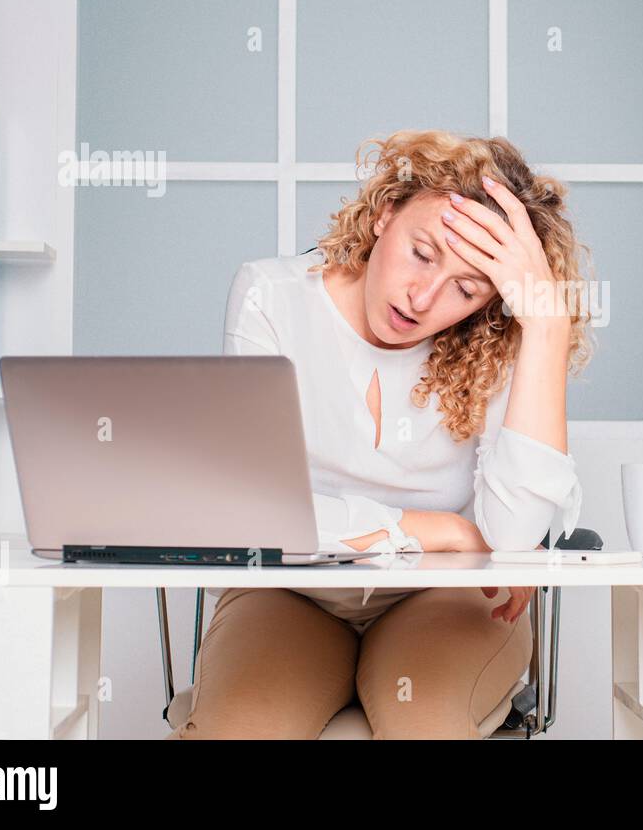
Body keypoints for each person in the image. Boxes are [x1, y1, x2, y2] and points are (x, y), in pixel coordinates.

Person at [166, 129, 595, 739]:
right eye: (422, 253)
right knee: (239, 729)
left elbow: (514, 542)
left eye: (467, 289)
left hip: (446, 595)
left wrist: (545, 325)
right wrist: (433, 528)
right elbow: (252, 512)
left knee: (424, 725)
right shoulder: (272, 298)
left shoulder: (502, 340)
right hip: (292, 592)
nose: (424, 297)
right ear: (385, 214)